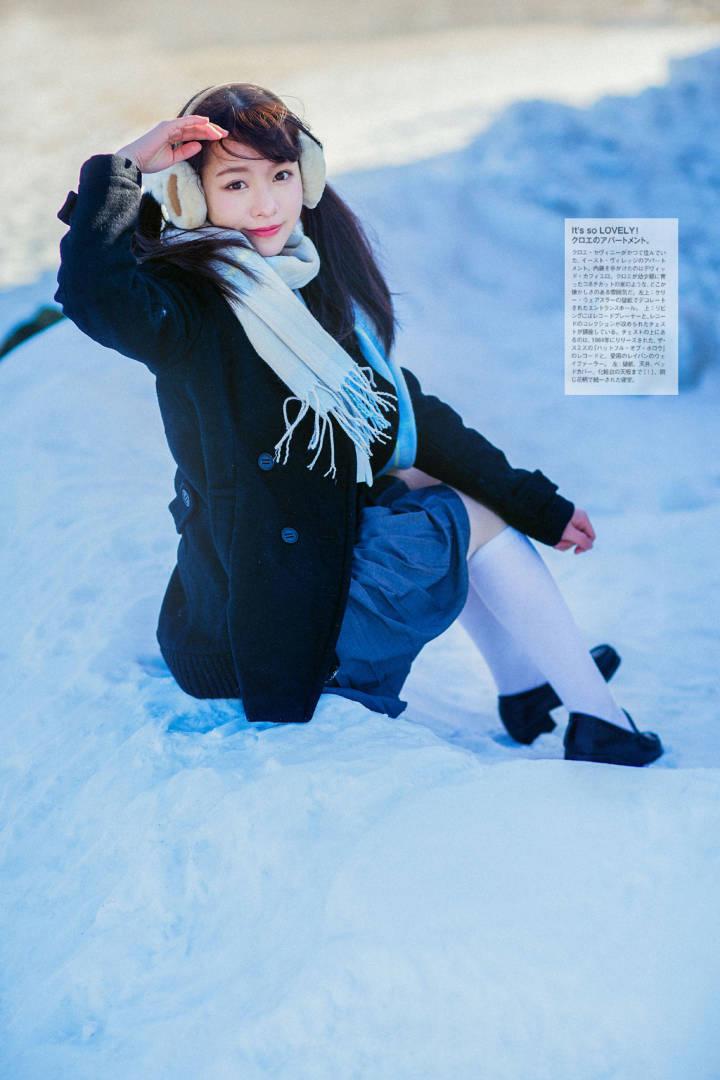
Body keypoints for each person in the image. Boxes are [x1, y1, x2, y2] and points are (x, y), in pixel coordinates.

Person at [54, 82, 663, 766]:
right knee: (468, 516)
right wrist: (125, 165)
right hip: (262, 634)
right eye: (235, 183)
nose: (265, 204)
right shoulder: (193, 310)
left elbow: (402, 415)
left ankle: (525, 686)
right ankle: (598, 719)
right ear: (194, 198)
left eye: (281, 176)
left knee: (419, 475)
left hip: (269, 591)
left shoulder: (298, 286)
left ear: (306, 178)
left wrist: (538, 503)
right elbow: (94, 293)